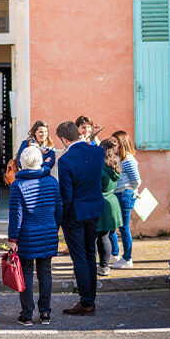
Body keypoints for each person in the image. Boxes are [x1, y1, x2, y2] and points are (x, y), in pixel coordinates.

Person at [8, 146, 62, 326]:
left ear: (22, 163)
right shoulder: (52, 182)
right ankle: (45, 313)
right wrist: (55, 227)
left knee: (26, 274)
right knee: (46, 273)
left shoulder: (18, 185)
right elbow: (59, 209)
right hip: (48, 231)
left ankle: (27, 314)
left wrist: (12, 240)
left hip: (27, 236)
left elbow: (16, 216)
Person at [56, 121, 104, 315]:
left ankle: (86, 301)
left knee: (80, 258)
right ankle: (90, 297)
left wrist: (60, 218)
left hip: (74, 213)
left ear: (65, 140)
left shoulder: (66, 160)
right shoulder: (97, 152)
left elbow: (66, 194)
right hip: (94, 208)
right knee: (90, 254)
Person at [109, 130, 141, 269]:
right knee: (110, 227)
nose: (112, 145)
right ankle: (114, 253)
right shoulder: (116, 158)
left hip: (124, 195)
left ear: (122, 144)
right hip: (116, 194)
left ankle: (127, 258)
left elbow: (136, 180)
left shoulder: (127, 159)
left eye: (114, 142)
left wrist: (131, 191)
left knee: (123, 228)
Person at [96, 139, 123, 276]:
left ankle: (103, 266)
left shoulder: (101, 166)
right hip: (111, 201)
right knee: (104, 236)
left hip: (102, 202)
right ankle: (104, 266)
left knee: (100, 237)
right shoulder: (114, 164)